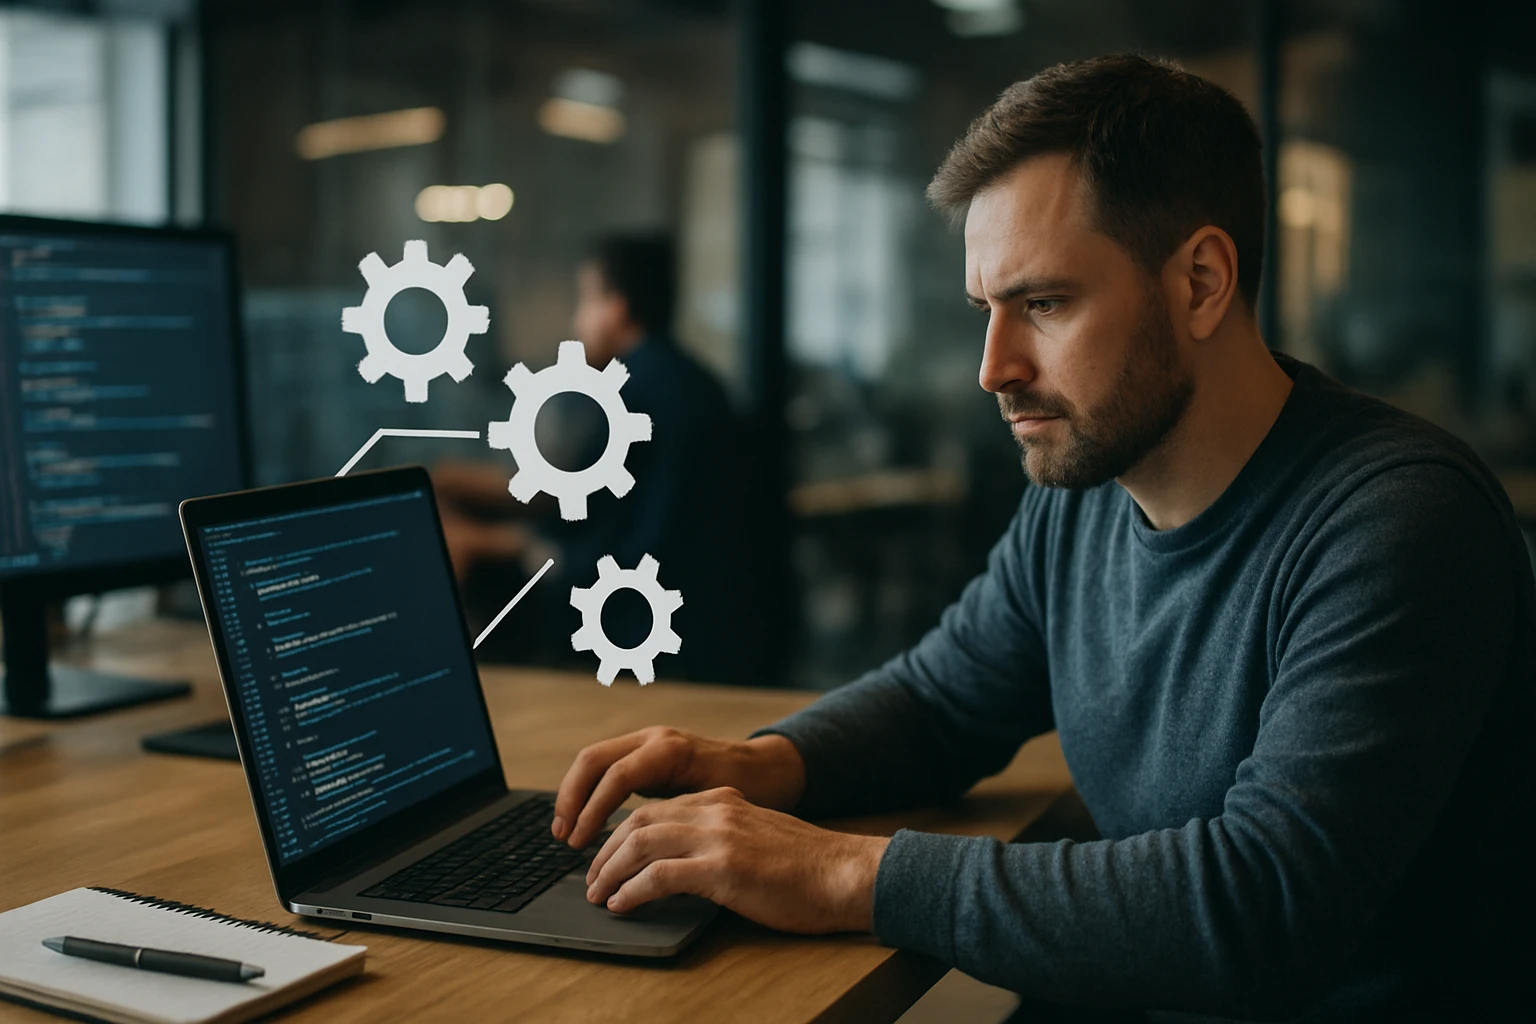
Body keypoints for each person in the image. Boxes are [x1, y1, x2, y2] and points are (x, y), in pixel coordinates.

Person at [542, 55, 1534, 1020]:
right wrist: (761, 763)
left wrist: (842, 870)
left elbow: (1262, 905)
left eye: (1044, 304)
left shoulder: (1399, 522)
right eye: (985, 310)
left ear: (1199, 282)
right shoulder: (1084, 493)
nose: (994, 367)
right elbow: (942, 701)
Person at [435, 233, 759, 684]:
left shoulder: (631, 394)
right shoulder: (694, 382)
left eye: (585, 300)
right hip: (717, 626)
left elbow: (581, 516)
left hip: (650, 634)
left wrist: (488, 538)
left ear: (618, 307)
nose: (577, 320)